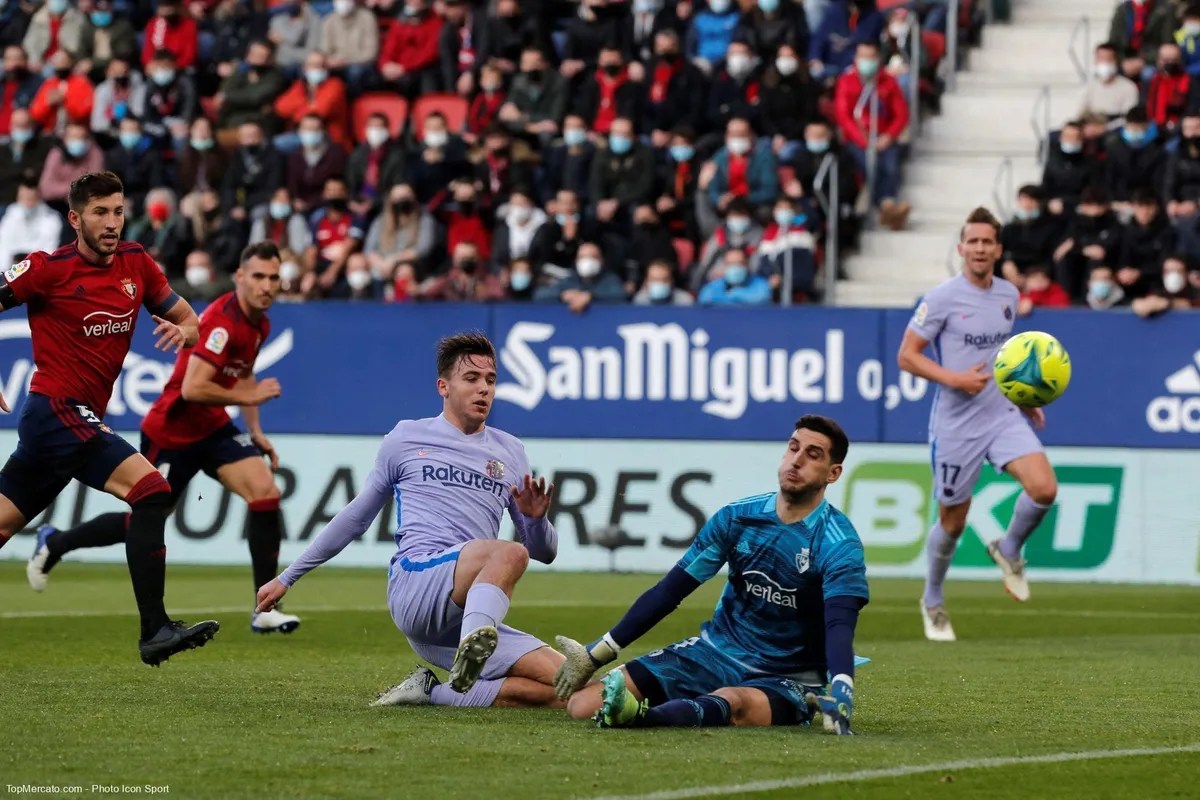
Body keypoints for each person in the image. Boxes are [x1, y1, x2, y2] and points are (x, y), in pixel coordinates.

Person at [254, 332, 566, 709]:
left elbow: (543, 552)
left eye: (490, 379)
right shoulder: (406, 437)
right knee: (510, 553)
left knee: (569, 683)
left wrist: (536, 521)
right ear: (443, 387)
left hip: (465, 615)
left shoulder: (510, 451)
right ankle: (472, 652)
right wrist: (288, 577)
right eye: (471, 378)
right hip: (416, 584)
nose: (484, 388)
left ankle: (432, 691)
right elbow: (356, 517)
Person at [0, 171, 215, 666]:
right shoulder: (46, 268)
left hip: (65, 423)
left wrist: (184, 333)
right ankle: (155, 629)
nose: (112, 222)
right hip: (55, 410)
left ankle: (155, 630)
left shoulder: (137, 263)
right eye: (100, 212)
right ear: (76, 219)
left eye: (118, 211)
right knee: (152, 491)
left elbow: (191, 320)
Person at [28, 242, 297, 635]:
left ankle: (265, 608)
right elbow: (193, 387)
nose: (267, 286)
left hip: (212, 427)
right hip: (172, 430)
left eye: (273, 278)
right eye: (258, 276)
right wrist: (248, 396)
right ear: (239, 277)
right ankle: (56, 543)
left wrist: (255, 431)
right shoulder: (221, 322)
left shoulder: (260, 323)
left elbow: (243, 375)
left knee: (265, 492)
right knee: (146, 520)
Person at [553, 415, 869, 734]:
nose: (797, 460)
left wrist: (842, 688)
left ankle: (643, 718)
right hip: (713, 653)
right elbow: (669, 591)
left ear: (833, 473)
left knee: (732, 700)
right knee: (583, 705)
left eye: (813, 455)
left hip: (785, 677)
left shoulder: (839, 543)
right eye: (793, 447)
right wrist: (597, 654)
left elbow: (839, 624)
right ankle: (674, 707)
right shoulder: (736, 518)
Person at [897, 207, 1059, 643]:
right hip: (956, 425)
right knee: (953, 522)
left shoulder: (1008, 295)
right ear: (961, 248)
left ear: (998, 249)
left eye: (988, 241)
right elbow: (906, 355)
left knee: (1044, 488)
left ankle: (1009, 549)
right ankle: (933, 599)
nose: (981, 248)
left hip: (1002, 414)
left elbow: (1003, 359)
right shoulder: (942, 298)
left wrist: (1025, 399)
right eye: (973, 241)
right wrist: (955, 379)